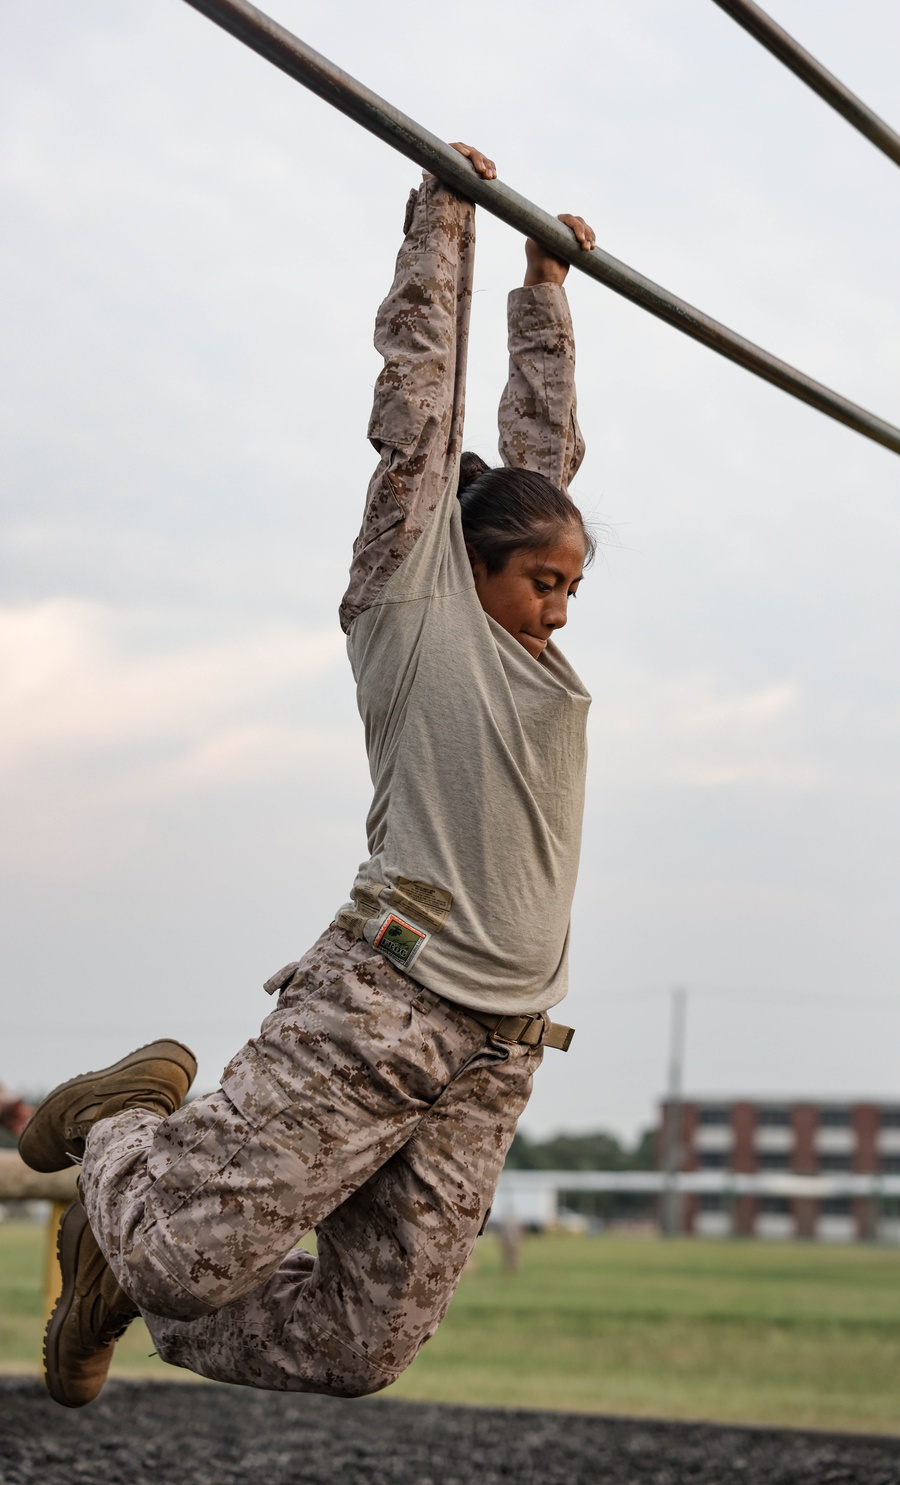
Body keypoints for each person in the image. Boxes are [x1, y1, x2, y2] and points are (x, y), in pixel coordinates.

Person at [20, 143, 597, 1408]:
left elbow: (537, 467)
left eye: (569, 586)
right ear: (465, 556)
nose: (557, 609)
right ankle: (119, 1133)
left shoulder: (535, 642)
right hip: (384, 1000)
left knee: (356, 1349)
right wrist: (444, 221)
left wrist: (542, 291)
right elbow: (418, 420)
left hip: (500, 1047)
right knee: (186, 1254)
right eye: (539, 581)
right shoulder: (411, 605)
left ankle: (115, 1276)